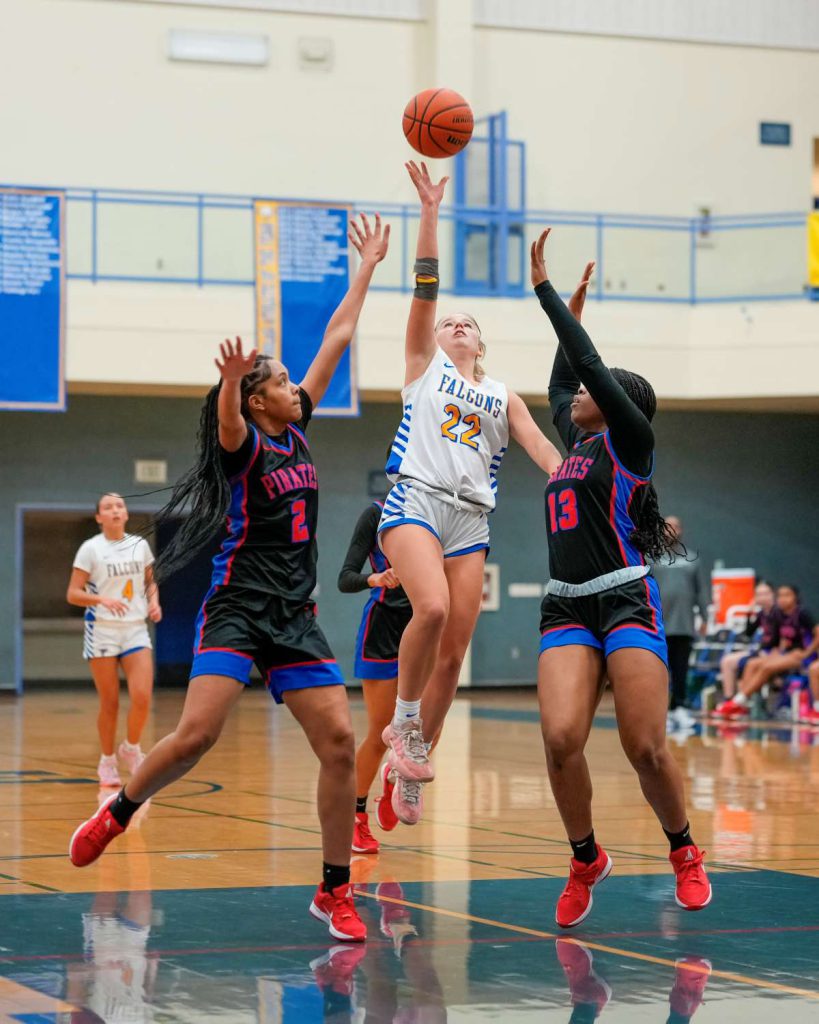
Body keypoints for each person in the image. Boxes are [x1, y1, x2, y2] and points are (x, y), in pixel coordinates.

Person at [68, 213, 391, 944]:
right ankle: (116, 813)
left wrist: (366, 266)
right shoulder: (244, 445)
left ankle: (333, 888)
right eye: (278, 382)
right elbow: (225, 425)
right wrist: (228, 381)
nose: (292, 387)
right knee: (195, 735)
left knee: (339, 742)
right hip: (239, 606)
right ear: (257, 399)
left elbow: (337, 336)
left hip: (295, 615)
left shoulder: (299, 426)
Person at [530, 227, 711, 929]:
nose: (573, 394)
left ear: (615, 401)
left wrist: (547, 293)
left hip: (624, 599)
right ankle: (584, 858)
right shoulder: (576, 439)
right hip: (565, 608)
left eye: (588, 390)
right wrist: (571, 305)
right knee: (559, 740)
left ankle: (684, 850)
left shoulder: (630, 441)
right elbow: (559, 378)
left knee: (643, 745)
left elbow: (586, 366)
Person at [377, 162, 563, 826]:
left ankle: (410, 763)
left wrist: (573, 474)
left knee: (454, 652)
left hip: (469, 521)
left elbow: (542, 450)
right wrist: (429, 211)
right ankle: (401, 726)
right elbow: (424, 286)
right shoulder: (421, 371)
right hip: (414, 504)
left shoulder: (500, 393)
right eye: (447, 321)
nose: (454, 324)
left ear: (481, 342)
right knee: (426, 610)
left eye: (466, 323)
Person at [66, 493, 161, 786]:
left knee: (142, 697)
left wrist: (154, 602)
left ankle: (131, 749)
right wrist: (101, 599)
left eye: (119, 506)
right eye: (108, 507)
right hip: (103, 629)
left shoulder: (139, 545)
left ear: (126, 514)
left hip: (134, 628)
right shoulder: (90, 549)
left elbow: (149, 582)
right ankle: (107, 761)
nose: (115, 510)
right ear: (99, 517)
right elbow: (73, 593)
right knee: (110, 703)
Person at [337, 496, 412, 854]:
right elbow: (345, 578)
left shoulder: (437, 512)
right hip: (382, 632)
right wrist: (376, 578)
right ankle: (355, 817)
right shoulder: (376, 513)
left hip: (422, 628)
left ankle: (395, 778)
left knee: (423, 728)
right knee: (381, 732)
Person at [714, 584, 819, 720]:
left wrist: (807, 653)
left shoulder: (802, 614)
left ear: (795, 598)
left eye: (787, 595)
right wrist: (777, 650)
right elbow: (777, 639)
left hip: (800, 656)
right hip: (785, 654)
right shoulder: (779, 615)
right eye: (780, 595)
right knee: (752, 664)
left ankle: (737, 702)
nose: (782, 599)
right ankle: (742, 704)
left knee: (766, 667)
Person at [652, 516, 703, 730]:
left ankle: (679, 708)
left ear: (680, 530)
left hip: (683, 625)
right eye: (666, 526)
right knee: (658, 671)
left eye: (674, 526)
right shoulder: (651, 559)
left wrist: (706, 618)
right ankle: (660, 711)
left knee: (681, 669)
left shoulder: (692, 559)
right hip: (657, 625)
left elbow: (701, 592)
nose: (670, 530)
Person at [718, 580, 777, 700]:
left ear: (773, 595)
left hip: (772, 652)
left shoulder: (778, 613)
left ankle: (741, 701)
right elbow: (748, 633)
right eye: (759, 594)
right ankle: (729, 699)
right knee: (727, 661)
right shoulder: (762, 614)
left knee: (746, 663)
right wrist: (750, 613)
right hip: (761, 651)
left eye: (765, 593)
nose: (762, 597)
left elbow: (778, 639)